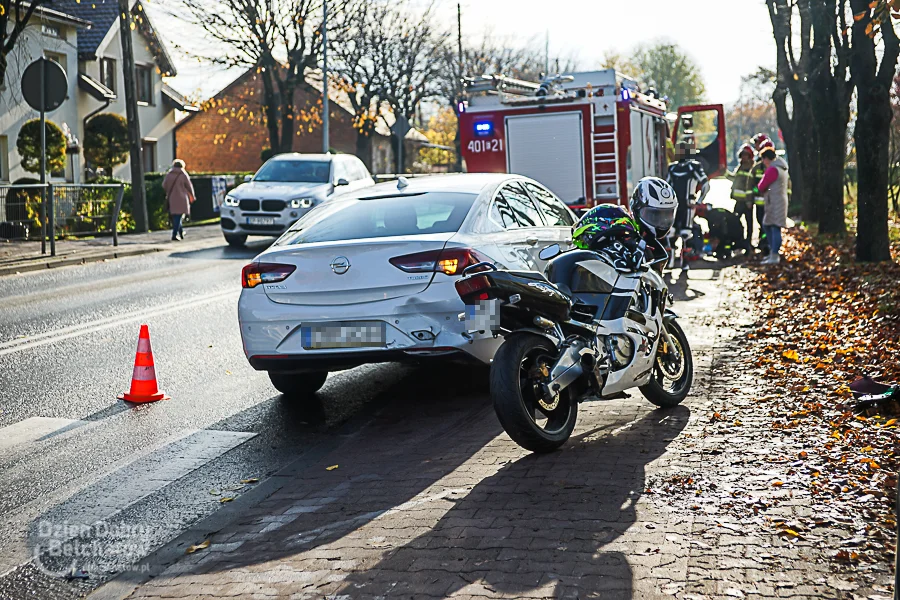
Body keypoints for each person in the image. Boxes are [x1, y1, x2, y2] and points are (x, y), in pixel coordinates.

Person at [756, 147, 789, 264]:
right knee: (772, 226)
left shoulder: (773, 169)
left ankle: (774, 255)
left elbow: (761, 185)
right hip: (779, 200)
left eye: (763, 159)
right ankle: (773, 253)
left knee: (773, 227)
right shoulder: (782, 168)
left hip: (774, 201)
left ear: (766, 159)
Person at [730, 143, 757, 251]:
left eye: (746, 155)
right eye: (742, 155)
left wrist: (750, 199)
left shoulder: (752, 168)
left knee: (749, 222)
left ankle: (748, 242)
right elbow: (735, 180)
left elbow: (754, 185)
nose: (744, 157)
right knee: (734, 220)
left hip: (747, 201)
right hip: (738, 201)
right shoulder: (740, 167)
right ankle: (737, 240)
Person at [749, 133, 772, 252]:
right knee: (761, 222)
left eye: (756, 143)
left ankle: (766, 243)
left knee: (767, 224)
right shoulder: (757, 166)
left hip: (770, 202)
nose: (755, 146)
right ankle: (764, 242)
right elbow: (752, 183)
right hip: (760, 202)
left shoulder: (775, 166)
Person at [162, 159, 195, 241]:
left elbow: (164, 185)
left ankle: (181, 233)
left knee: (176, 216)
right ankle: (174, 234)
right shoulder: (183, 174)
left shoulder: (169, 174)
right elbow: (189, 186)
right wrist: (192, 196)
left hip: (172, 198)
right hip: (182, 198)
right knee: (178, 216)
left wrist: (169, 191)